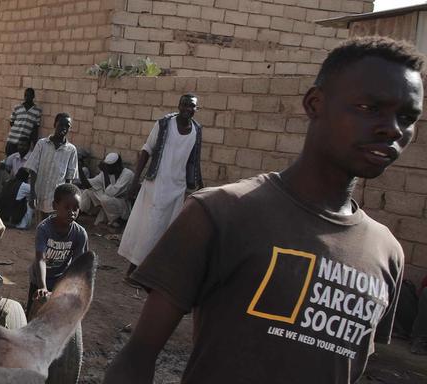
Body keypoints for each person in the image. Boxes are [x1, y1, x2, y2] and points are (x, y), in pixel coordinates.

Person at [103, 36, 423, 384]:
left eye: (406, 117)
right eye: (369, 107)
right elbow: (135, 358)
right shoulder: (220, 213)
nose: (392, 129)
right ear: (315, 103)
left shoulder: (386, 253)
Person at [118, 93, 203, 280]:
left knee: (166, 230)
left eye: (193, 106)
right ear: (179, 105)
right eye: (185, 105)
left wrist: (196, 186)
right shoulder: (164, 124)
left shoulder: (197, 130)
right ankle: (132, 272)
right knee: (150, 227)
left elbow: (193, 161)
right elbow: (146, 150)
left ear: (197, 110)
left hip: (177, 188)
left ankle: (151, 273)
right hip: (157, 184)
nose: (189, 109)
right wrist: (135, 181)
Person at [28, 183, 88, 383]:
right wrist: (42, 286)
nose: (71, 212)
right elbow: (41, 259)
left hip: (61, 278)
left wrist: (68, 289)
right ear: (55, 205)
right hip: (40, 277)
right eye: (67, 207)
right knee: (35, 315)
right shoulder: (44, 229)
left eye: (75, 208)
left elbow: (77, 267)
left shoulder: (80, 234)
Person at [25, 113, 79, 217]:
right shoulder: (42, 144)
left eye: (67, 126)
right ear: (55, 124)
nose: (63, 128)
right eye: (61, 125)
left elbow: (69, 178)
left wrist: (66, 200)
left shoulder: (71, 150)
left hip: (57, 197)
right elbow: (33, 168)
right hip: (40, 192)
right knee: (41, 225)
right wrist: (32, 192)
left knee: (53, 227)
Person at [78, 152, 134, 228]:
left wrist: (105, 172)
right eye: (106, 167)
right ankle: (79, 212)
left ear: (117, 166)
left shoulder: (127, 174)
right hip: (109, 203)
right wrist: (79, 168)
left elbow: (111, 193)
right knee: (89, 191)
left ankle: (118, 222)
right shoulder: (107, 174)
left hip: (123, 206)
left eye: (108, 167)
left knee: (105, 199)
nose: (107, 169)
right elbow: (88, 185)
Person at [6, 88, 42, 156]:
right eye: (25, 95)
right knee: (9, 161)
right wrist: (19, 128)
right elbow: (12, 122)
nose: (26, 97)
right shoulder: (17, 107)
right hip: (12, 140)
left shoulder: (37, 110)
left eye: (29, 95)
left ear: (33, 96)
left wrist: (34, 144)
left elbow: (35, 128)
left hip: (23, 144)